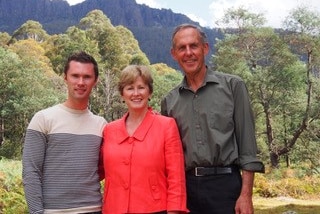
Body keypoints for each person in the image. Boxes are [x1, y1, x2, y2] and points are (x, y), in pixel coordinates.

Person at [161, 23, 265, 214]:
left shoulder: (233, 87)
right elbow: (167, 158)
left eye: (194, 46)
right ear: (174, 54)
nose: (188, 52)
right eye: (181, 48)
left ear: (205, 48)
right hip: (187, 191)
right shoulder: (169, 101)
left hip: (226, 188)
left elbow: (247, 146)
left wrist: (246, 195)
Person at [22, 51, 107, 214]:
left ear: (95, 81)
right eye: (75, 76)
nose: (81, 82)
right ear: (65, 78)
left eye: (87, 77)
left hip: (93, 209)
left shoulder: (102, 125)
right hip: (53, 211)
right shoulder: (43, 119)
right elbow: (31, 171)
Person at [100, 65, 188, 214]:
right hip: (113, 209)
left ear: (150, 92)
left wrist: (175, 211)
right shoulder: (109, 130)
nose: (136, 93)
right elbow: (99, 170)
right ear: (122, 94)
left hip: (155, 209)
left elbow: (176, 177)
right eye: (129, 88)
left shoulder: (166, 126)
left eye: (141, 87)